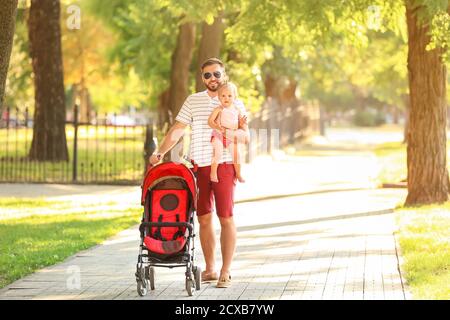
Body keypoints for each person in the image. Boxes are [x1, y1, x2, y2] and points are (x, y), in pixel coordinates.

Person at [149, 58, 249, 288]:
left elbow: (245, 136)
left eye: (216, 74)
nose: (212, 78)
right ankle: (211, 268)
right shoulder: (193, 101)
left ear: (223, 74)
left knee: (226, 217)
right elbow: (177, 130)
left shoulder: (235, 103)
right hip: (199, 167)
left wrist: (223, 131)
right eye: (207, 75)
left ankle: (226, 271)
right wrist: (160, 153)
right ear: (202, 78)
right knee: (203, 217)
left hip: (223, 165)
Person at [208, 82, 248, 183]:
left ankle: (238, 174)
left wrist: (241, 123)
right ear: (219, 97)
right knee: (218, 152)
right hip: (218, 135)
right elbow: (210, 121)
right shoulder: (219, 109)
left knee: (237, 155)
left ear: (235, 97)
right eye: (223, 96)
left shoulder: (237, 110)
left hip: (230, 136)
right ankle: (213, 172)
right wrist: (216, 126)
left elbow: (238, 125)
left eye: (230, 96)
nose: (226, 98)